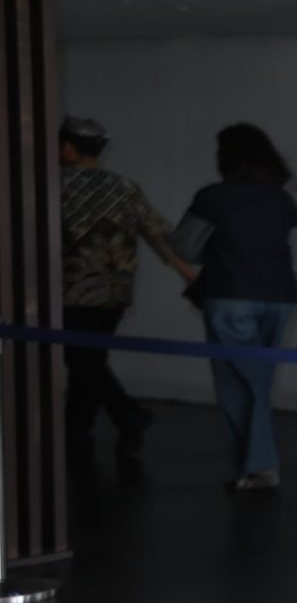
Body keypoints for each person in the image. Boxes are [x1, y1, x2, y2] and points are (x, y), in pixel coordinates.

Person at [173, 124, 297, 492]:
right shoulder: (283, 200)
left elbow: (184, 248)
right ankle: (256, 467)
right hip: (280, 298)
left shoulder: (213, 197)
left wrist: (220, 253)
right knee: (258, 379)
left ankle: (258, 467)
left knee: (237, 383)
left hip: (228, 296)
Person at [57, 115, 194, 456]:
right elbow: (157, 233)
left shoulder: (54, 185)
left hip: (72, 289)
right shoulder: (124, 187)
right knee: (88, 360)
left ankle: (125, 415)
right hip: (117, 291)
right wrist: (186, 272)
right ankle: (80, 429)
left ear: (68, 148)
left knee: (82, 360)